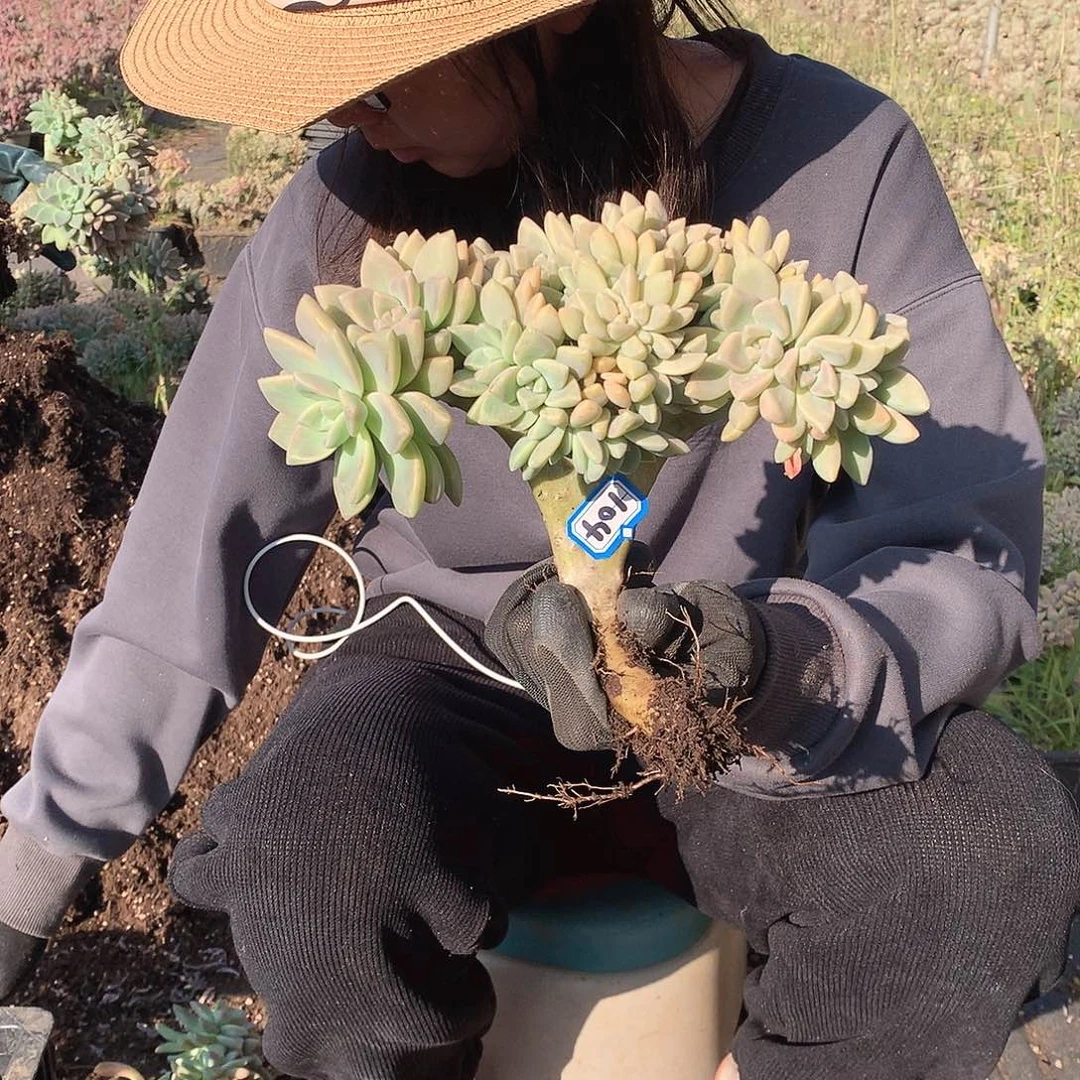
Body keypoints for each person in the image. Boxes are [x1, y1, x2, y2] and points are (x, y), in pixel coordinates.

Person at [1, 1, 1077, 1077]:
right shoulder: (343, 212)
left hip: (766, 690)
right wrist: (26, 879)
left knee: (977, 849)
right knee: (309, 852)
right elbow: (183, 569)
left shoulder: (844, 160)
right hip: (455, 662)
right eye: (321, 91)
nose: (345, 117)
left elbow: (958, 539)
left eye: (381, 78)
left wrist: (782, 661)